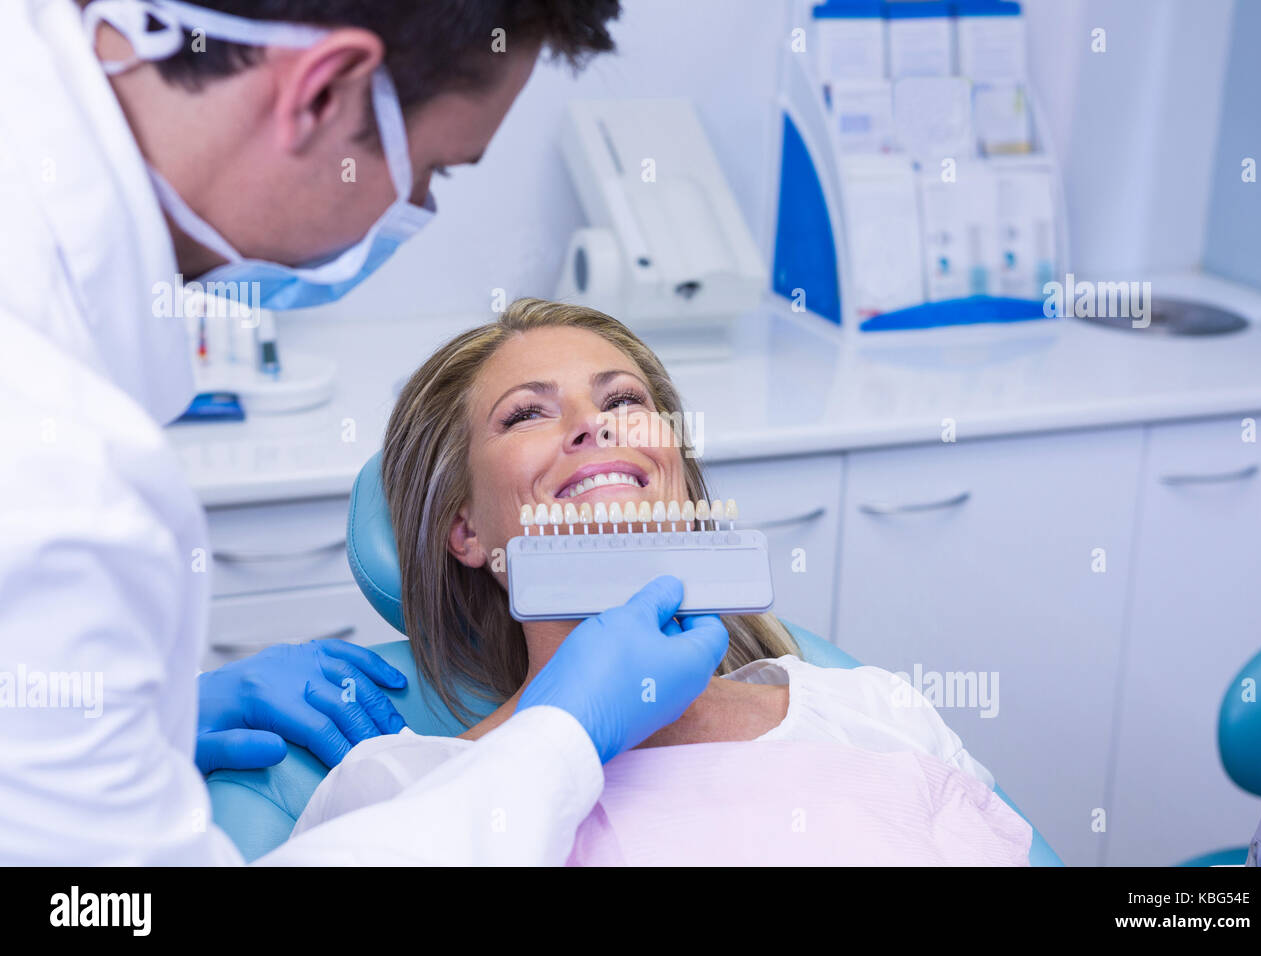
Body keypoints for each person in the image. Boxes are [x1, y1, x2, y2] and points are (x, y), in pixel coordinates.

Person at [0, 0, 732, 865]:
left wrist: (130, 716)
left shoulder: (860, 708)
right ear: (321, 95)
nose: (417, 203)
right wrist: (557, 735)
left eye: (622, 400)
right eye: (436, 172)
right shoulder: (54, 471)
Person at [288, 299, 1028, 865]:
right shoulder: (394, 791)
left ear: (677, 471)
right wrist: (569, 728)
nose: (593, 426)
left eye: (622, 401)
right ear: (466, 532)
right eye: (525, 415)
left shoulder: (874, 713)